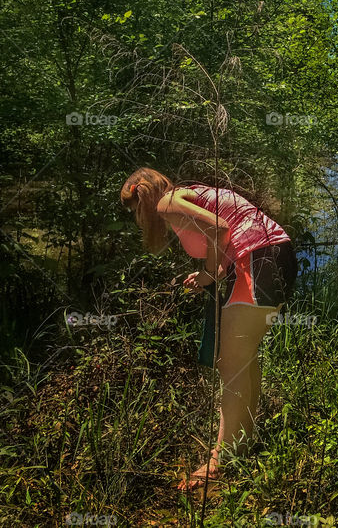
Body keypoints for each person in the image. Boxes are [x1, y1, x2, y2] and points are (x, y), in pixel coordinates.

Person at [120, 167, 297, 490]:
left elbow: (219, 228)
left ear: (142, 195)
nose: (139, 219)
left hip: (258, 259)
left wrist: (210, 272)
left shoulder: (168, 202)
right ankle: (241, 445)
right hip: (271, 256)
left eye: (136, 211)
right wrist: (210, 273)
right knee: (242, 359)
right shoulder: (187, 196)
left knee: (230, 361)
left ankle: (219, 459)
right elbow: (221, 234)